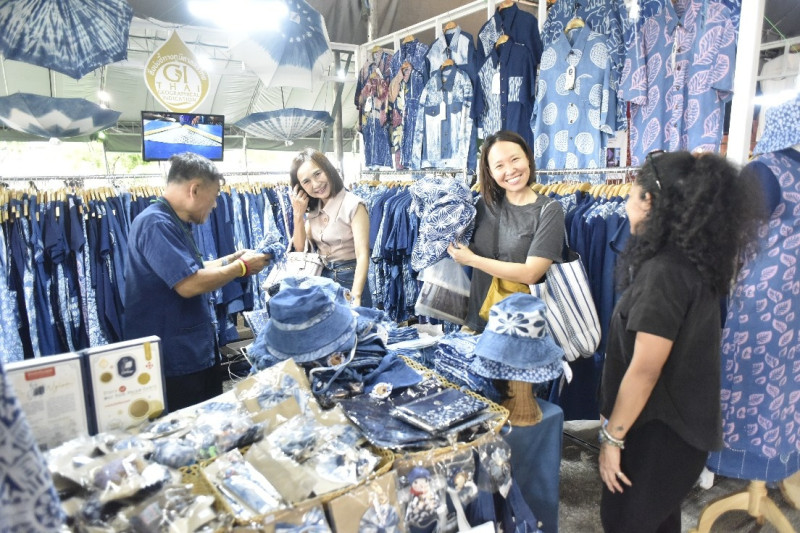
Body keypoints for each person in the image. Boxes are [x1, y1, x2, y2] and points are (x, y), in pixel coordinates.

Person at [598, 150, 764, 532]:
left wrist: (611, 439)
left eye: (630, 194)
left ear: (649, 201)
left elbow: (645, 370)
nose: (625, 203)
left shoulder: (664, 273)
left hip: (659, 434)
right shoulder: (687, 261)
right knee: (658, 521)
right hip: (673, 431)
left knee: (625, 522)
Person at [123, 152, 270, 412]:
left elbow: (192, 268)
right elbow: (189, 283)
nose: (214, 205)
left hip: (191, 351)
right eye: (214, 197)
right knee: (190, 424)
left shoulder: (173, 222)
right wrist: (242, 267)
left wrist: (231, 259)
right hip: (175, 360)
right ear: (194, 190)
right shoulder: (155, 223)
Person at [447, 130, 564, 333]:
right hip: (476, 324)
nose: (510, 170)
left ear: (528, 158)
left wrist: (472, 260)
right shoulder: (482, 206)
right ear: (490, 172)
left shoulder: (549, 210)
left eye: (515, 159)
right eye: (499, 165)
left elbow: (531, 273)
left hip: (521, 328)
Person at [289, 148, 372, 307]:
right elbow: (300, 249)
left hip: (350, 279)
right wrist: (298, 215)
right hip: (322, 280)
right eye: (306, 182)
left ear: (328, 169)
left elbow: (362, 255)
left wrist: (356, 296)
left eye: (317, 174)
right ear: (300, 188)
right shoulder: (313, 210)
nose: (315, 184)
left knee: (355, 323)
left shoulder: (353, 205)